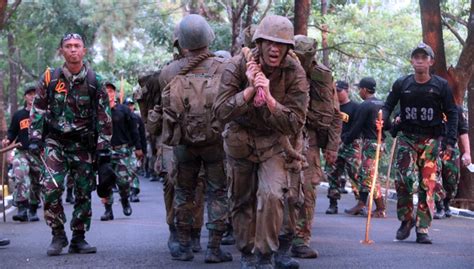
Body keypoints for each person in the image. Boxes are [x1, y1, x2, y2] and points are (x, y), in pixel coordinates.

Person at [214, 15, 309, 269]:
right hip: (240, 141)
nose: (274, 48)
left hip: (273, 142)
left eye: (280, 44)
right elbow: (220, 112)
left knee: (272, 195)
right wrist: (248, 92)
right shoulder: (236, 66)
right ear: (259, 42)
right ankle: (246, 253)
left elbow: (295, 122)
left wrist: (269, 99)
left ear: (289, 48)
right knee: (241, 198)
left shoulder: (295, 73)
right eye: (268, 42)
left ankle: (266, 255)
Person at [29, 33, 112, 255]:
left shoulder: (96, 81)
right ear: (61, 51)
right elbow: (37, 109)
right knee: (50, 188)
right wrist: (35, 138)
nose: (73, 50)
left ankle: (78, 237)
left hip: (83, 145)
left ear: (84, 50)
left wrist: (104, 151)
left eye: (77, 46)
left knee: (84, 192)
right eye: (68, 46)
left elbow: (104, 118)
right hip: (55, 142)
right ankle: (58, 234)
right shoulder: (50, 78)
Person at [160, 14, 230, 263]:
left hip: (183, 143)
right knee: (218, 192)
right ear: (209, 37)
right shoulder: (224, 67)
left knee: (183, 192)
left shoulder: (169, 71)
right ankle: (213, 249)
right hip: (215, 143)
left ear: (182, 42)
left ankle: (184, 245)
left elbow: (164, 107)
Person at [382, 42, 458, 244]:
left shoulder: (441, 86)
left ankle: (422, 228)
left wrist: (450, 142)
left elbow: (452, 113)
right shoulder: (402, 83)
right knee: (404, 180)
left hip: (431, 141)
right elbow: (388, 105)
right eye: (416, 57)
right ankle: (406, 220)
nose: (420, 60)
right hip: (407, 137)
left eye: (424, 57)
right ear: (411, 61)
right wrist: (384, 121)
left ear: (431, 62)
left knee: (428, 184)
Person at [144, 23, 206, 257]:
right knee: (173, 183)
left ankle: (195, 231)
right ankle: (175, 229)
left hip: (201, 136)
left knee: (198, 185)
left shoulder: (213, 66)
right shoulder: (169, 71)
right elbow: (159, 108)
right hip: (173, 137)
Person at [291, 35, 342, 259]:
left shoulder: (322, 76)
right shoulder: (275, 67)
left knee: (308, 189)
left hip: (309, 136)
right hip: (280, 133)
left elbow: (335, 114)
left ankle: (301, 239)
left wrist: (332, 146)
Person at [344, 77, 387, 217]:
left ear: (364, 89)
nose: (359, 92)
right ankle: (361, 203)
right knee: (365, 173)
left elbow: (357, 126)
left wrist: (346, 139)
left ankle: (380, 208)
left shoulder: (365, 105)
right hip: (380, 143)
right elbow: (390, 125)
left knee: (369, 175)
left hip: (371, 143)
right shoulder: (382, 104)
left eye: (359, 89)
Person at [100, 83, 141, 221]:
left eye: (111, 91)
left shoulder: (123, 110)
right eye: (106, 91)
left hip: (122, 150)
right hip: (103, 152)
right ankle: (108, 210)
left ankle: (125, 200)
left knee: (123, 181)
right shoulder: (98, 111)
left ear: (115, 94)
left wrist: (138, 147)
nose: (108, 94)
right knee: (105, 183)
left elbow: (134, 130)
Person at [2, 85, 42, 222]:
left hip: (39, 154)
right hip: (22, 152)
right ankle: (22, 208)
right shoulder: (19, 115)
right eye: (29, 94)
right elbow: (12, 132)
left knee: (37, 182)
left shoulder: (43, 114)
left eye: (34, 94)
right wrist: (7, 140)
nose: (32, 96)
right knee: (20, 175)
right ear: (25, 97)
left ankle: (33, 209)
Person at [325, 80, 362, 214]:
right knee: (333, 173)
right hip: (334, 145)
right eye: (335, 91)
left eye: (339, 91)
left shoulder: (355, 107)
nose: (337, 94)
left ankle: (360, 203)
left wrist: (345, 138)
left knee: (355, 173)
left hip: (351, 145)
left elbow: (357, 127)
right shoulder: (331, 107)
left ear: (346, 91)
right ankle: (333, 203)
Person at [434, 105, 470, 219]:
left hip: (451, 150)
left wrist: (467, 152)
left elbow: (463, 132)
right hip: (434, 148)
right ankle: (438, 206)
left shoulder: (456, 110)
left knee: (452, 181)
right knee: (434, 178)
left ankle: (446, 203)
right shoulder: (431, 105)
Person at [124, 97, 145, 202]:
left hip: (134, 148)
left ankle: (134, 191)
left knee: (133, 169)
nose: (130, 107)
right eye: (128, 105)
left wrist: (142, 149)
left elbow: (141, 134)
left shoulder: (137, 118)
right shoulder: (120, 117)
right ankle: (125, 192)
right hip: (122, 148)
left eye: (131, 104)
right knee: (123, 171)